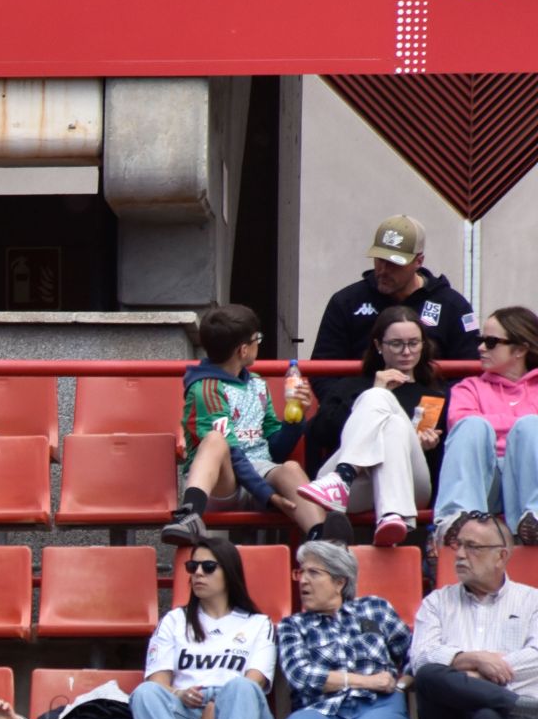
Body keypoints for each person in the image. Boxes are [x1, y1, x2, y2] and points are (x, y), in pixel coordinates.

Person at [163, 304, 347, 547]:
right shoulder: (205, 388)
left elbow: (275, 450)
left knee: (291, 468)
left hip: (260, 474)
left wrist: (295, 418)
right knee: (216, 440)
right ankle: (189, 515)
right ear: (243, 350)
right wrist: (268, 495)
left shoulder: (257, 384)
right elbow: (233, 454)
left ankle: (326, 546)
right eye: (256, 339)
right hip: (223, 483)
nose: (258, 343)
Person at [130, 537, 276, 719]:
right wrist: (179, 694)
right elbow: (157, 682)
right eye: (192, 567)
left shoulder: (258, 623)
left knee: (241, 687)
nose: (197, 573)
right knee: (144, 693)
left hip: (242, 711)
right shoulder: (174, 620)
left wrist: (217, 704)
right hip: (188, 710)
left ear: (229, 573)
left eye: (208, 567)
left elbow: (256, 682)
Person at [409, 513, 538, 719]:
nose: (460, 555)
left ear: (501, 556)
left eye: (473, 547)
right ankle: (509, 700)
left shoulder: (532, 601)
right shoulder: (436, 602)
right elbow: (421, 658)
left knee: (489, 715)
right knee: (428, 674)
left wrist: (469, 673)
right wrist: (475, 659)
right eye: (458, 545)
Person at [276, 540, 413, 719]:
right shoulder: (292, 626)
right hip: (318, 709)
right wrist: (366, 681)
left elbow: (414, 654)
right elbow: (301, 675)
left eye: (313, 573)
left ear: (340, 582)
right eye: (300, 572)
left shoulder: (375, 610)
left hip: (378, 706)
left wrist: (400, 685)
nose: (303, 580)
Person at [298, 305, 445, 546]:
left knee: (392, 420)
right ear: (378, 345)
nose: (406, 351)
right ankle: (390, 514)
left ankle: (344, 476)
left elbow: (441, 466)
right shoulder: (349, 387)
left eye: (414, 343)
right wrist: (375, 390)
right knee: (385, 409)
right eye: (396, 344)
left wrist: (425, 447)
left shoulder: (435, 396)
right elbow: (321, 433)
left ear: (423, 345)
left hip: (410, 486)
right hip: (357, 489)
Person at [435, 306, 538, 545]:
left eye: (491, 342)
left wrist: (507, 423)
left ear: (520, 349)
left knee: (530, 426)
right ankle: (458, 520)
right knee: (472, 426)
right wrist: (515, 424)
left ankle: (534, 519)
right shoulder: (467, 387)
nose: (481, 348)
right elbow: (459, 424)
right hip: (484, 477)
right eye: (480, 340)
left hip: (527, 477)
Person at [313, 215, 478, 363]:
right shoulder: (346, 302)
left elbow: (470, 373)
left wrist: (425, 389)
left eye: (394, 263)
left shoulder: (454, 307)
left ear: (419, 261)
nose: (383, 270)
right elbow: (323, 372)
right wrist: (369, 388)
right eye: (380, 260)